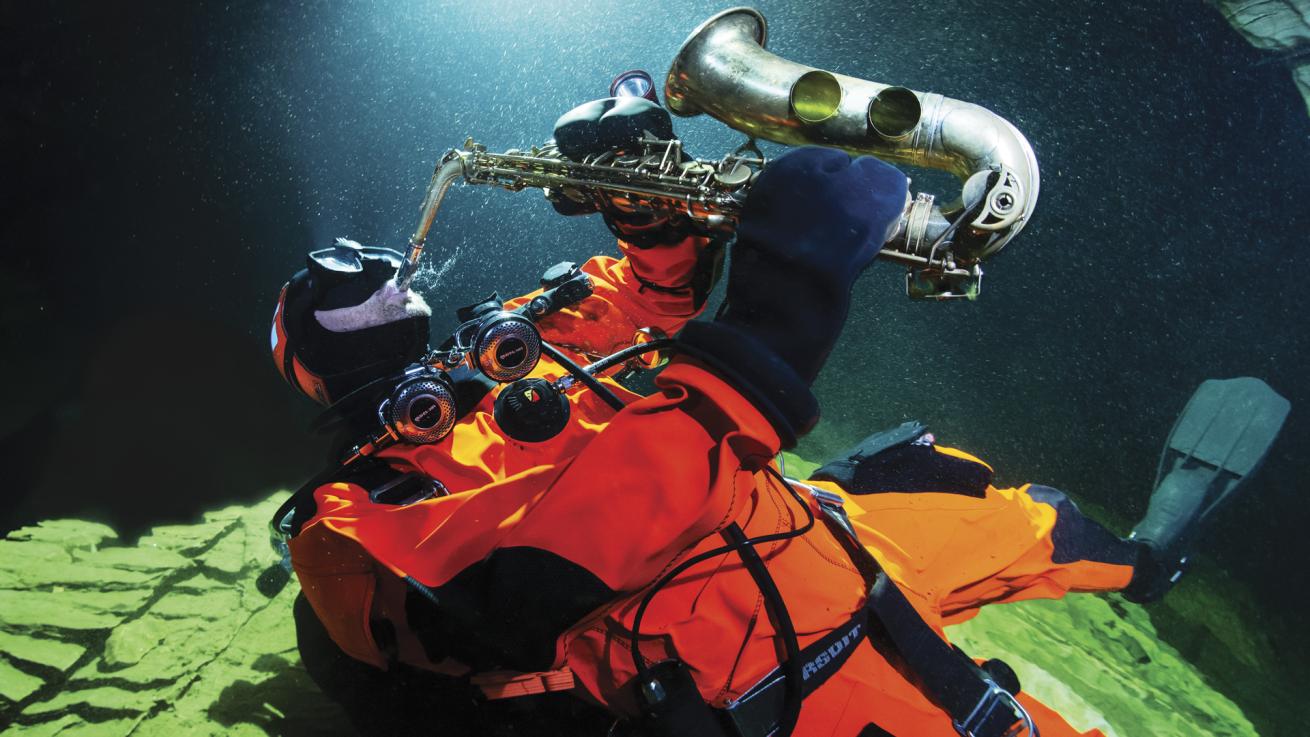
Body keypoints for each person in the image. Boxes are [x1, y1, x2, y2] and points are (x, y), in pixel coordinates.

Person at [268, 91, 1289, 737]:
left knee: (1038, 518)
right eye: (329, 296)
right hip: (743, 650)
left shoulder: (496, 356)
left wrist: (646, 206)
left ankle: (1149, 560)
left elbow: (647, 298)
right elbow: (526, 593)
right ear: (325, 373)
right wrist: (774, 312)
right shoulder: (346, 510)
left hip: (795, 522)